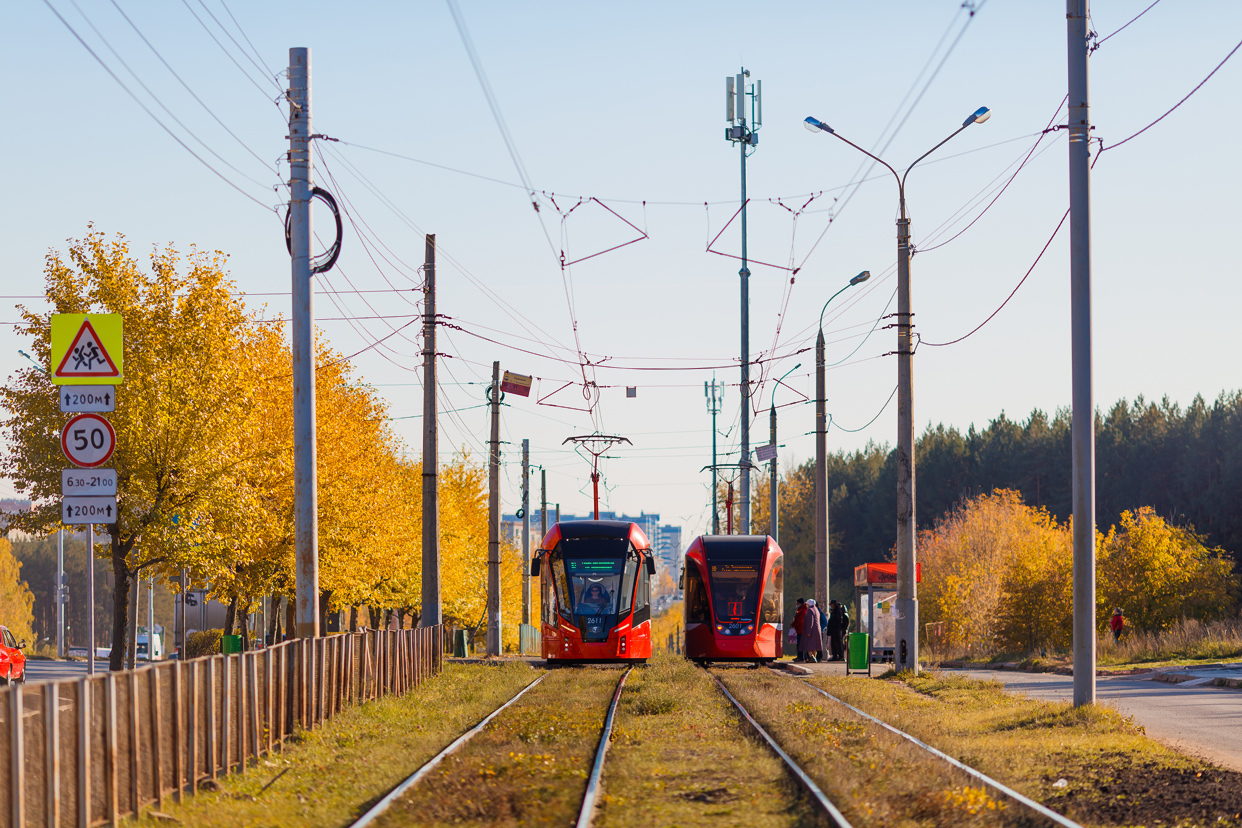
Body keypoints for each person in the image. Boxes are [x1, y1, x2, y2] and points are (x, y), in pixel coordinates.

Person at [802, 599, 824, 664]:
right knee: (815, 645)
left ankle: (811, 657)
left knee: (808, 645)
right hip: (817, 629)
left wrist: (808, 631)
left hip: (812, 630)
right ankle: (814, 657)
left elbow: (810, 621)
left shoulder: (809, 610)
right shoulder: (816, 609)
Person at [792, 598, 808, 662]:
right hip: (799, 629)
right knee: (799, 644)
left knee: (800, 644)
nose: (797, 605)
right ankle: (800, 656)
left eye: (797, 603)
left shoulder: (802, 611)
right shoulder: (801, 610)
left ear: (801, 603)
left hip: (801, 630)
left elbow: (799, 620)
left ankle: (801, 657)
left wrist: (793, 624)